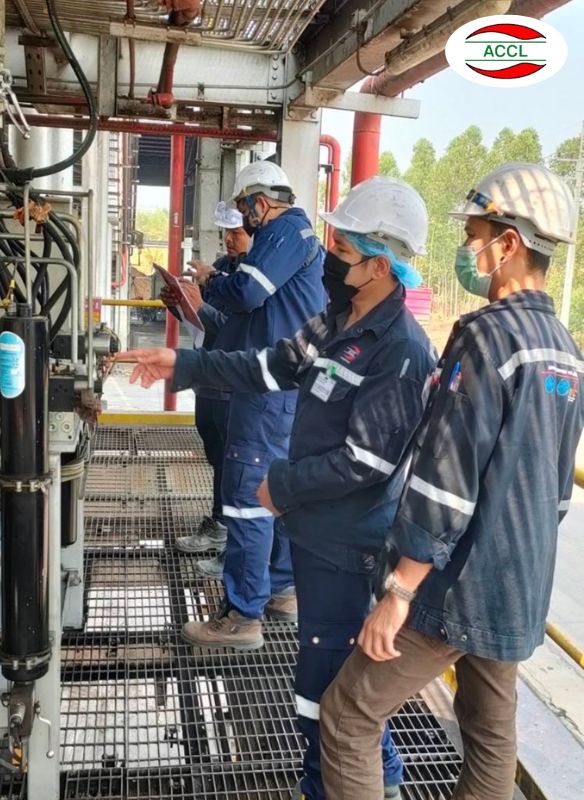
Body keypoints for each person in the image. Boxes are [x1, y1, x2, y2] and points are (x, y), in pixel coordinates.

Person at [117, 175, 438, 800]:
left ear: (379, 265)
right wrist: (181, 363)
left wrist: (281, 486)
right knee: (321, 691)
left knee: (338, 694)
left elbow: (367, 460)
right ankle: (328, 783)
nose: (328, 260)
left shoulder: (400, 350)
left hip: (350, 547)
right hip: (317, 536)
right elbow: (269, 364)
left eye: (341, 251)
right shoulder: (337, 320)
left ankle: (374, 786)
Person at [318, 163, 584, 800]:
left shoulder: (486, 338)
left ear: (509, 243)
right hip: (520, 585)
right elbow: (555, 493)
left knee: (348, 716)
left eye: (473, 235)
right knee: (490, 737)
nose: (467, 249)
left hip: (457, 584)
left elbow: (447, 479)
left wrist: (400, 591)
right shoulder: (565, 349)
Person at [161, 160, 325, 644]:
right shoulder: (291, 246)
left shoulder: (285, 231)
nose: (243, 222)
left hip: (266, 394)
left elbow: (248, 293)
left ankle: (242, 615)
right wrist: (195, 304)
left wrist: (211, 282)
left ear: (260, 202)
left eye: (243, 209)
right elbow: (242, 324)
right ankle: (281, 591)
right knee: (278, 493)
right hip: (280, 388)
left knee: (248, 497)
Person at [165, 202, 251, 579]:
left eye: (238, 233)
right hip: (210, 383)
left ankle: (232, 541)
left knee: (237, 466)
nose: (230, 239)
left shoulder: (253, 282)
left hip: (234, 387)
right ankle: (219, 524)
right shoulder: (219, 269)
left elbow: (240, 333)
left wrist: (202, 305)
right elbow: (202, 323)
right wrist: (178, 305)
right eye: (227, 232)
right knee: (219, 459)